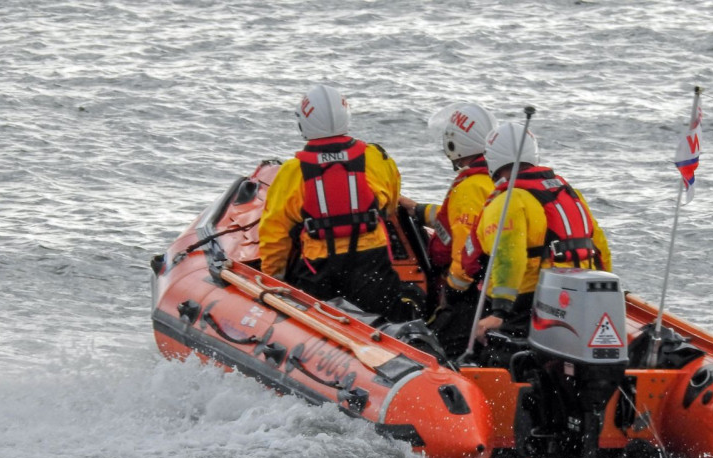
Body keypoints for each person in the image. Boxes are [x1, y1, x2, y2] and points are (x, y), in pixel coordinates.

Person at [258, 84, 421, 323]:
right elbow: (389, 206)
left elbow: (275, 233)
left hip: (319, 267)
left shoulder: (293, 172)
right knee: (389, 319)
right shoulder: (376, 157)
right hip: (372, 262)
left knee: (312, 323)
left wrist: (274, 278)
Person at [463, 121, 612, 345]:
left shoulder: (508, 202)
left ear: (492, 159)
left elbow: (508, 257)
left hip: (527, 304)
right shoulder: (570, 195)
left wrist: (500, 313)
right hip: (580, 298)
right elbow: (599, 246)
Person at [399, 102, 498, 357]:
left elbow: (465, 249)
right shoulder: (488, 179)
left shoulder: (470, 187)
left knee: (438, 349)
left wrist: (450, 295)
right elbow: (453, 222)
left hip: (469, 296)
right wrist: (417, 210)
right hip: (485, 287)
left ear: (457, 143)